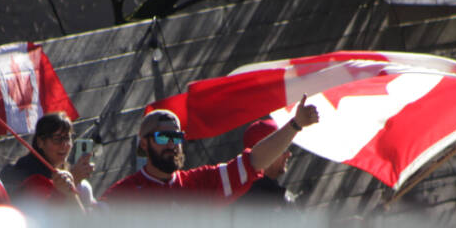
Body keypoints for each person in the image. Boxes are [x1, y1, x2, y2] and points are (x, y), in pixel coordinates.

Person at [101, 96, 318, 202]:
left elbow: (253, 162)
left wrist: (295, 125)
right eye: (162, 136)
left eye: (176, 136)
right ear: (144, 143)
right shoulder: (123, 194)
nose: (171, 143)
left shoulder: (199, 184)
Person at [0, 112, 95, 206]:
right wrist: (72, 182)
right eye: (57, 139)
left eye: (67, 138)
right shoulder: (27, 176)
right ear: (40, 142)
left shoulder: (64, 171)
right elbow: (47, 216)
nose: (64, 145)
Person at [235, 116, 293, 208]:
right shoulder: (251, 201)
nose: (289, 154)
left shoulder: (280, 196)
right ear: (264, 152)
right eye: (282, 149)